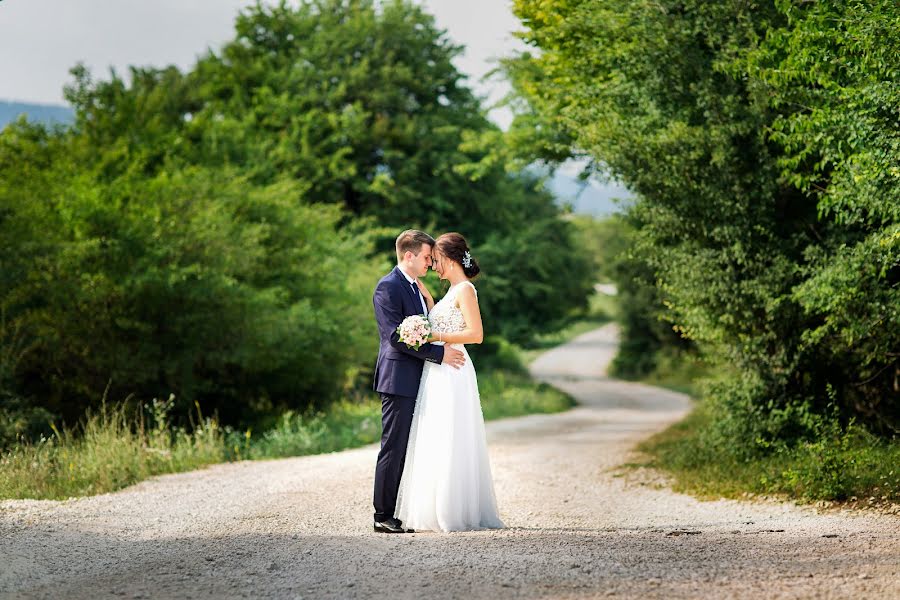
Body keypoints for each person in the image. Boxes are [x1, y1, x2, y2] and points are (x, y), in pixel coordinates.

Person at [394, 232, 504, 532]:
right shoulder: (449, 291)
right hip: (438, 371)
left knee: (452, 435)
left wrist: (435, 337)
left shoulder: (466, 289)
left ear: (451, 259)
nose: (434, 266)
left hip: (454, 369)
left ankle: (454, 510)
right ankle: (435, 508)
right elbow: (442, 320)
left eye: (437, 260)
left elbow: (475, 334)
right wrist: (430, 304)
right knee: (437, 435)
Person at [371, 230, 467, 534]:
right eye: (427, 257)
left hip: (421, 379)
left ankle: (401, 513)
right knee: (394, 447)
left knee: (413, 449)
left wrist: (430, 302)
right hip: (398, 379)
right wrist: (439, 354)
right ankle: (382, 515)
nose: (430, 262)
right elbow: (396, 338)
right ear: (408, 255)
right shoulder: (388, 287)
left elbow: (426, 324)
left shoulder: (415, 288)